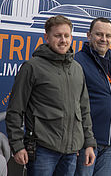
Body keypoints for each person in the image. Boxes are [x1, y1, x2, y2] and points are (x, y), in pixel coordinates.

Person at [5, 15, 96, 176]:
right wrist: (17, 146)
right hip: (42, 151)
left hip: (70, 152)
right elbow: (15, 110)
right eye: (58, 35)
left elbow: (84, 110)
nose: (63, 40)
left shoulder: (77, 69)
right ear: (46, 37)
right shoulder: (32, 67)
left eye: (67, 35)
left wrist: (89, 143)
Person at [74, 17, 111, 176]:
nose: (104, 39)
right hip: (85, 142)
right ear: (89, 35)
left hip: (109, 144)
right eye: (99, 34)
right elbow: (72, 103)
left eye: (108, 36)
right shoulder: (77, 62)